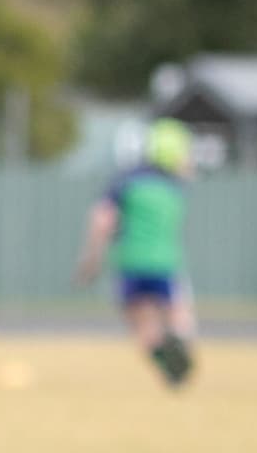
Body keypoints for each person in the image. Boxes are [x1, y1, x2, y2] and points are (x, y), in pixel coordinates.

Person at [78, 119, 196, 389]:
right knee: (178, 315)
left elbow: (101, 220)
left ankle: (167, 365)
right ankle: (179, 339)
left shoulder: (124, 182)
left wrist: (91, 259)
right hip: (165, 263)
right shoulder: (175, 189)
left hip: (131, 263)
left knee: (142, 325)